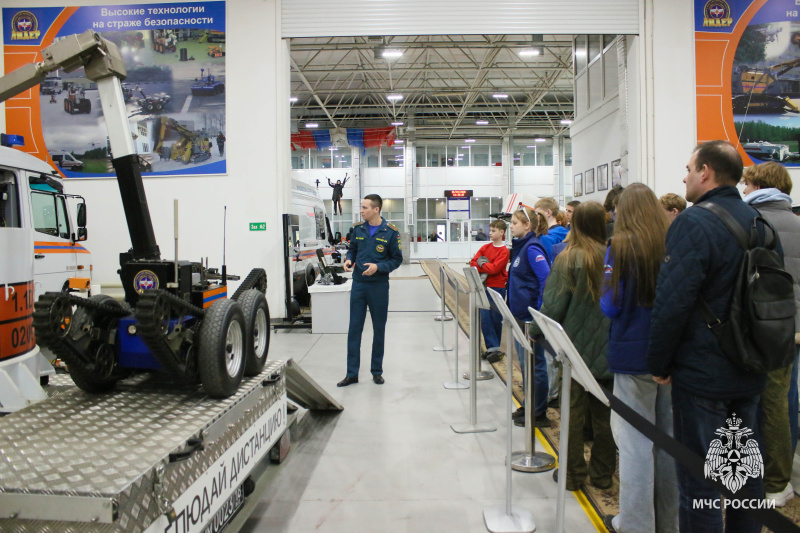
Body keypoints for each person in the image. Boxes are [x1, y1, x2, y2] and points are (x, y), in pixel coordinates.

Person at [648, 141, 768, 532]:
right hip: (749, 368)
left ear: (706, 172)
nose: (683, 176)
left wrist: (660, 363)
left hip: (702, 375)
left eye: (688, 168)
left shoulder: (693, 222)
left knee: (698, 483)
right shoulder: (759, 222)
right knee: (744, 481)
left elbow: (672, 301)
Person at [601, 183, 677, 533]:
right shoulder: (672, 241)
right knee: (668, 445)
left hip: (633, 355)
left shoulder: (619, 246)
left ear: (624, 211)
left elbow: (610, 305)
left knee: (633, 444)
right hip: (671, 356)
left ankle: (634, 523)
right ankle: (668, 522)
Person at [532, 201, 615, 492]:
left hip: (575, 349)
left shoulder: (569, 257)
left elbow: (553, 305)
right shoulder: (613, 256)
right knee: (606, 419)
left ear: (576, 223)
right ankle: (603, 476)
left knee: (574, 414)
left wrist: (535, 331)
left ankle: (572, 474)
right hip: (609, 348)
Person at [742, 162, 800, 507]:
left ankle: (774, 482)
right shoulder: (796, 221)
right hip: (793, 325)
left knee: (767, 402)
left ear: (757, 184)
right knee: (785, 398)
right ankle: (781, 473)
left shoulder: (753, 222)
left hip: (764, 325)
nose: (744, 191)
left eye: (747, 185)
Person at [338, 194, 403, 387]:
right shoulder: (358, 229)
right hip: (359, 284)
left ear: (376, 209)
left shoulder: (391, 232)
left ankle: (376, 371)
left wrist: (379, 267)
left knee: (378, 329)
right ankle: (352, 373)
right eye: (362, 207)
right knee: (354, 329)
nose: (361, 210)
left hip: (379, 287)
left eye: (365, 207)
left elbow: (396, 259)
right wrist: (349, 258)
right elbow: (353, 249)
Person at [507, 206, 551, 428]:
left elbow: (546, 279)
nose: (511, 226)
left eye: (515, 223)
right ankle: (529, 402)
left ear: (527, 226)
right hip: (519, 316)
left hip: (529, 318)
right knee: (526, 365)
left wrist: (539, 315)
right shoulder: (521, 248)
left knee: (536, 365)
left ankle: (538, 411)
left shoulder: (532, 249)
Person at [470, 220, 510, 359]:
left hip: (497, 287)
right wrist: (484, 264)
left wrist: (483, 264)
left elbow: (495, 269)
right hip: (484, 286)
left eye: (493, 231)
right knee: (485, 317)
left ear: (501, 232)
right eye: (490, 230)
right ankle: (492, 347)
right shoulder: (485, 247)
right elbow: (473, 262)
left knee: (495, 317)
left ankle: (495, 348)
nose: (490, 233)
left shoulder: (504, 251)